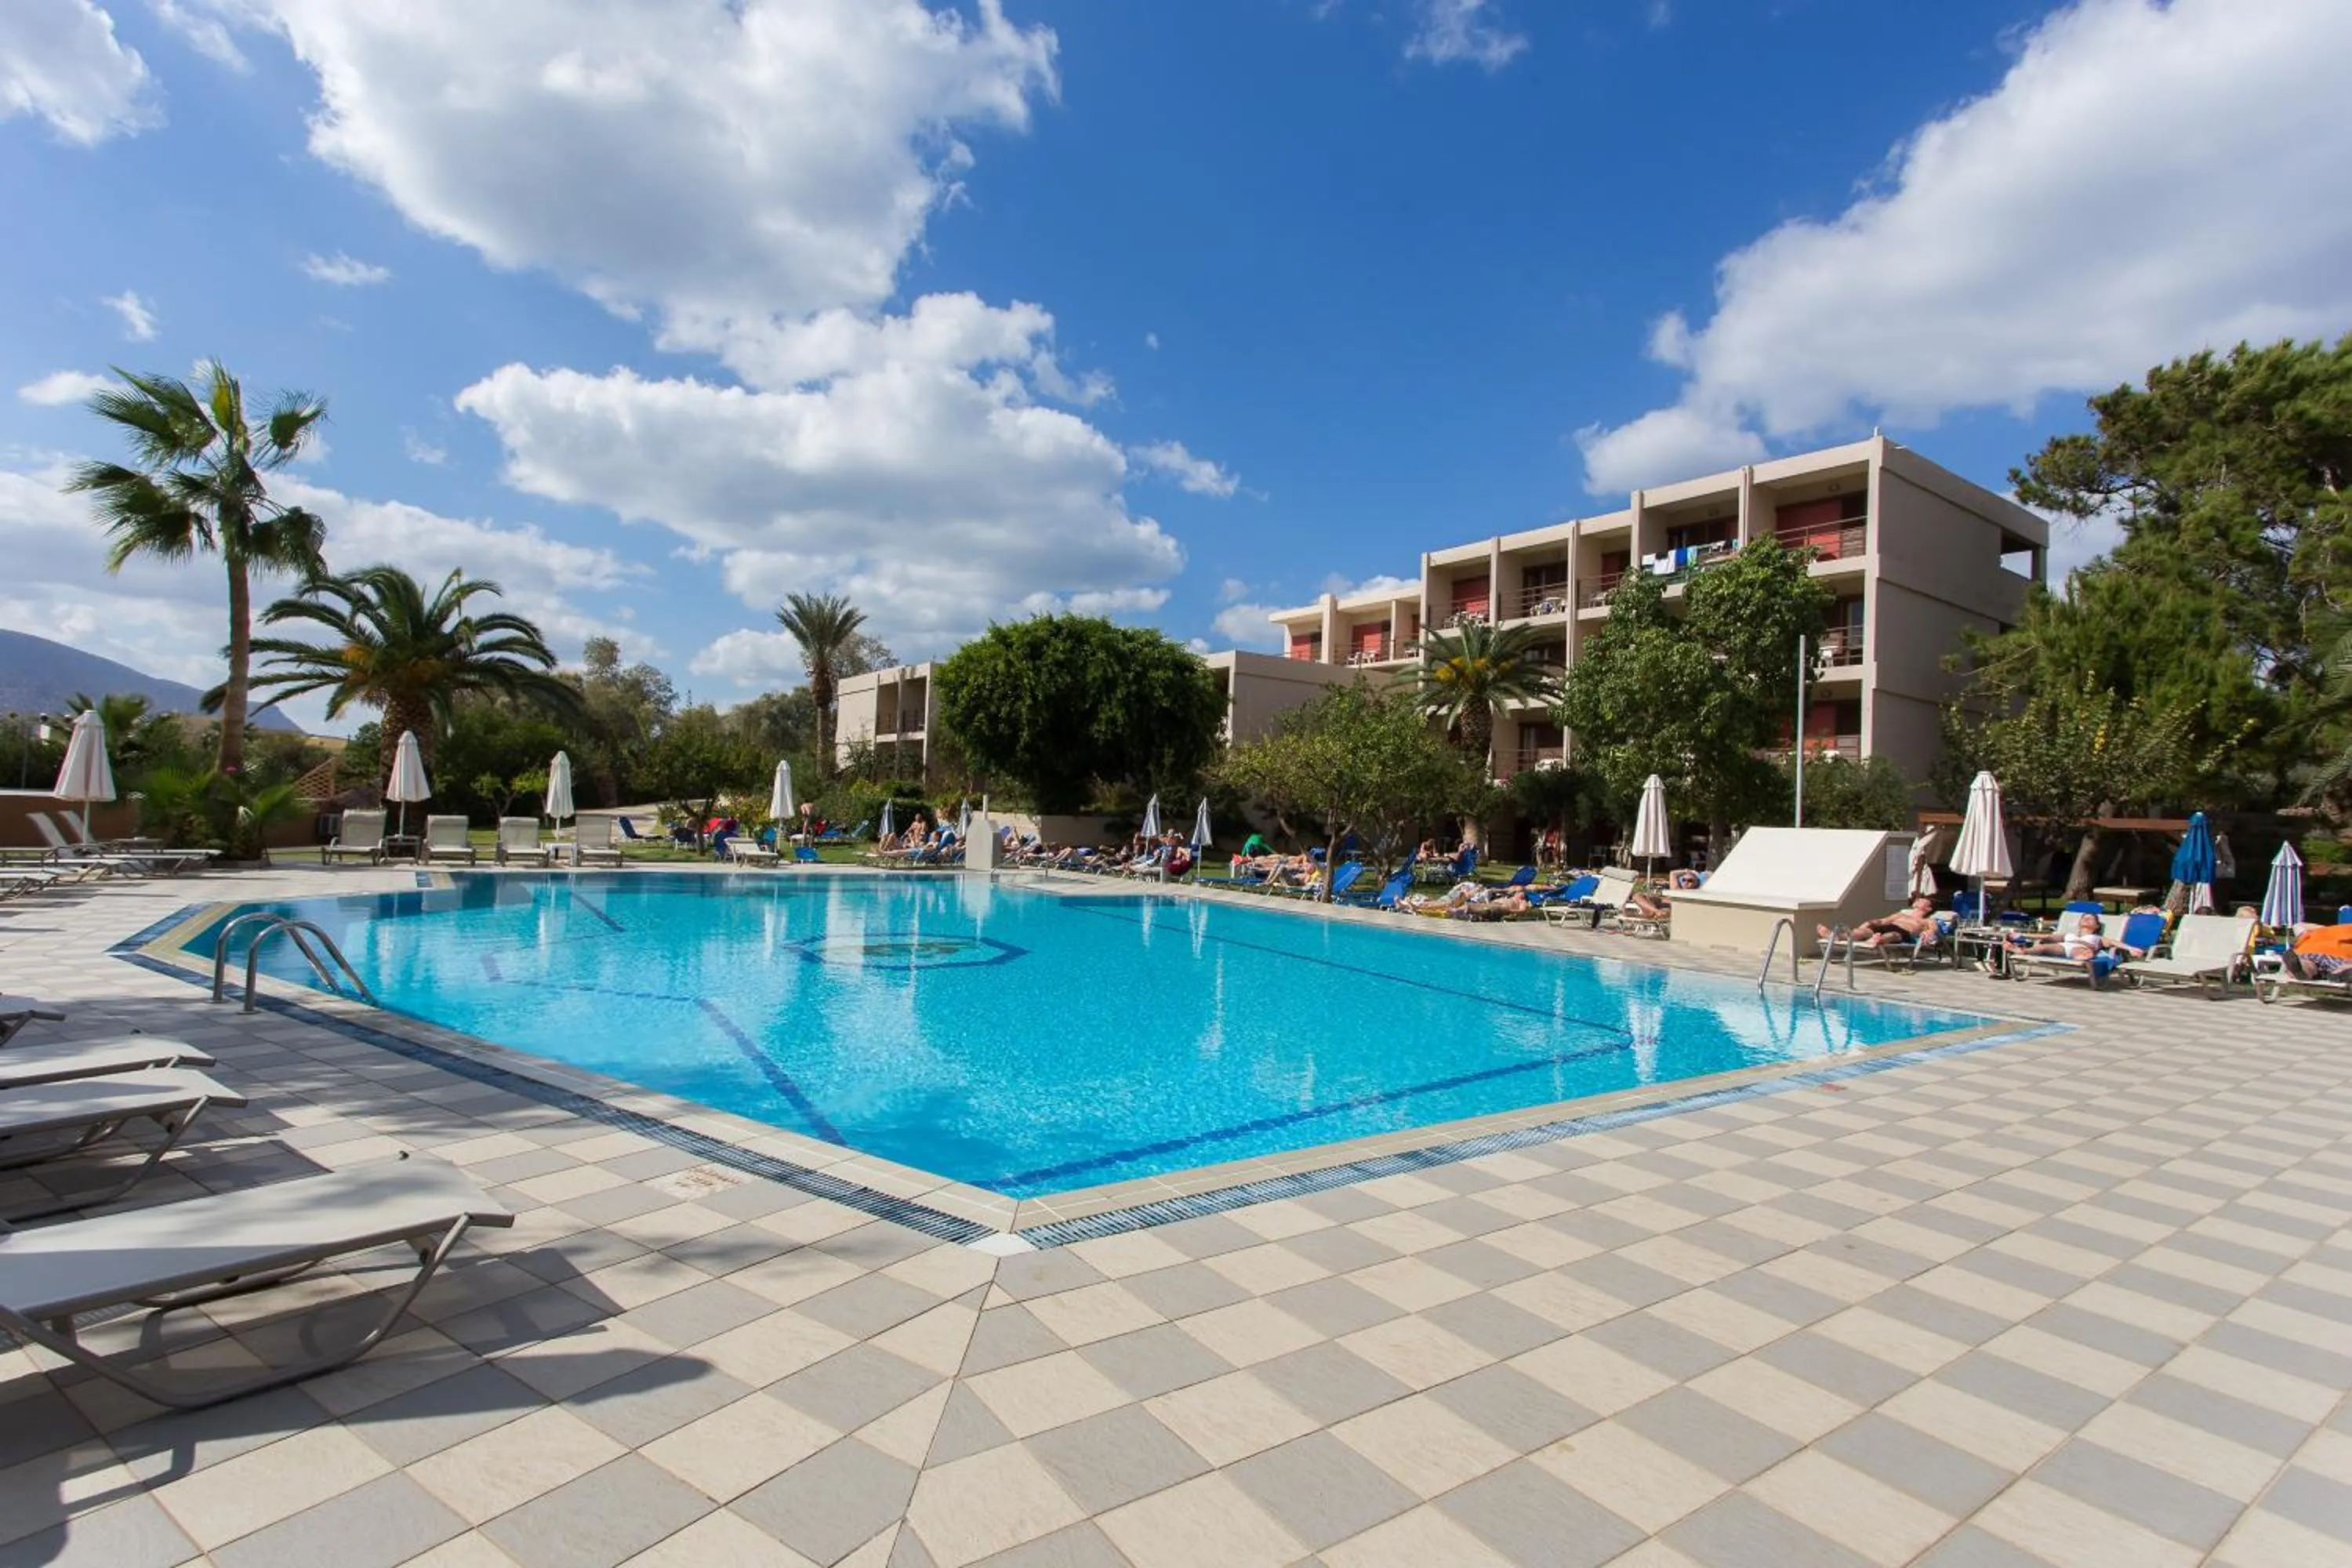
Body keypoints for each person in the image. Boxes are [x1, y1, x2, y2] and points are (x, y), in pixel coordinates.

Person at [1823, 896, 1936, 948]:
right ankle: (1836, 936)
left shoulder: (1927, 921)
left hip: (1903, 933)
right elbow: (1884, 921)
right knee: (1863, 931)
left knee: (1892, 935)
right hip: (1888, 926)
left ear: (1928, 909)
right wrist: (1871, 922)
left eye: (1922, 900)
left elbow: (1933, 930)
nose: (1918, 900)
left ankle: (1878, 940)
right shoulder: (1900, 914)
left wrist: (1929, 933)